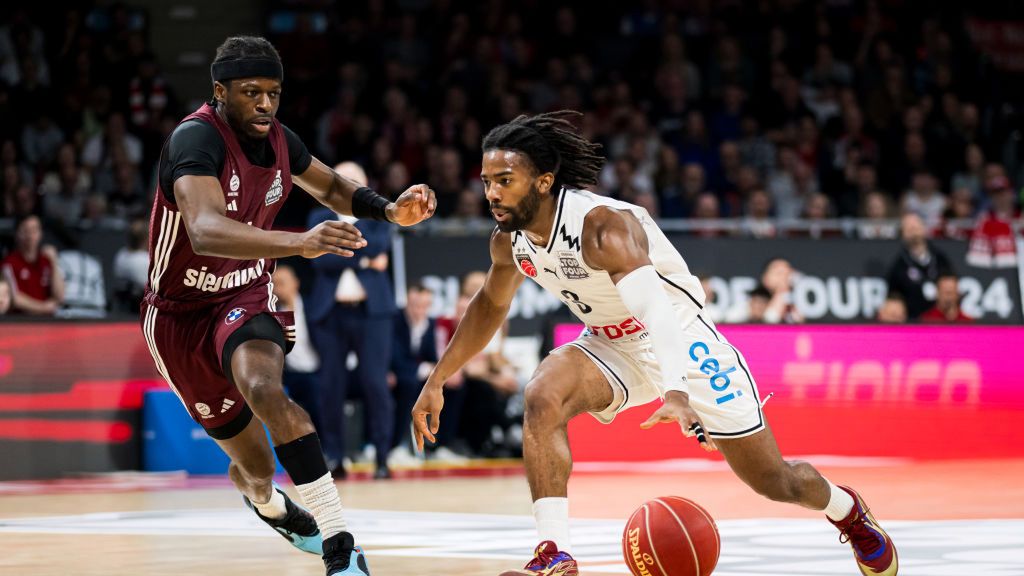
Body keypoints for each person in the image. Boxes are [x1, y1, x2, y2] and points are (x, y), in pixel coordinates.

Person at [412, 111, 897, 576]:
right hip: (608, 343)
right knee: (541, 395)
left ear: (542, 180)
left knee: (776, 482)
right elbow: (490, 308)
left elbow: (657, 313)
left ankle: (848, 512)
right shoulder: (509, 241)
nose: (491, 194)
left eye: (504, 181)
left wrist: (676, 391)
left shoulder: (602, 228)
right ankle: (554, 554)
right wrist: (438, 379)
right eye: (487, 181)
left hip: (682, 340)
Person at [139, 36, 435, 576]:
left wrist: (389, 211)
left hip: (245, 291)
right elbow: (204, 231)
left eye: (273, 93)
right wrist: (301, 243)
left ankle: (339, 543)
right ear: (219, 92)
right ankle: (270, 505)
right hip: (178, 316)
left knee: (265, 388)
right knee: (251, 468)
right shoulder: (194, 140)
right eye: (251, 92)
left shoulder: (279, 139)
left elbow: (331, 188)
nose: (264, 105)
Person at [307, 161, 397, 480]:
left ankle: (382, 457)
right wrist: (368, 259)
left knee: (375, 382)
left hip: (372, 314)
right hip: (330, 314)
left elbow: (382, 244)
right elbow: (320, 262)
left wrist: (342, 252)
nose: (348, 183)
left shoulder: (379, 215)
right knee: (331, 386)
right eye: (342, 178)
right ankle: (335, 457)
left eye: (354, 179)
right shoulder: (318, 217)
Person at [388, 282, 438, 464]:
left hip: (414, 377)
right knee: (408, 386)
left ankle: (438, 446)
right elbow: (395, 358)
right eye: (417, 306)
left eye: (425, 306)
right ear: (408, 301)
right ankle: (395, 446)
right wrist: (424, 369)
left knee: (450, 387)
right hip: (393, 375)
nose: (420, 311)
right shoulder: (395, 320)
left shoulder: (430, 324)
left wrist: (434, 371)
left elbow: (432, 357)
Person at [272, 264, 323, 433]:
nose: (278, 290)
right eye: (274, 284)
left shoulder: (314, 307)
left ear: (296, 283)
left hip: (318, 372)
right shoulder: (275, 315)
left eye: (282, 283)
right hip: (291, 377)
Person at [887, 212, 952, 320]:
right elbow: (894, 299)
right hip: (912, 323)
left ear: (924, 228)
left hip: (940, 322)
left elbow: (951, 287)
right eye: (909, 228)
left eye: (916, 227)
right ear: (902, 234)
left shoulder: (940, 259)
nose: (913, 231)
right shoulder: (898, 266)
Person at [1, 215, 64, 315]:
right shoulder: (9, 263)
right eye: (25, 230)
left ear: (41, 233)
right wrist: (43, 308)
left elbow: (60, 296)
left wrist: (54, 261)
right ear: (17, 234)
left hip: (49, 323)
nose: (30, 235)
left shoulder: (47, 260)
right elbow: (15, 298)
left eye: (34, 230)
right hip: (22, 321)